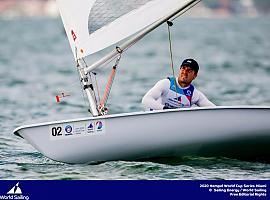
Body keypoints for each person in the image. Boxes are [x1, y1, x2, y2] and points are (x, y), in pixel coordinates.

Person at [142, 58, 215, 110]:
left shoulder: (195, 94)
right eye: (183, 68)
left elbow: (213, 109)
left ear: (195, 75)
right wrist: (165, 109)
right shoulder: (166, 84)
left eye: (189, 70)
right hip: (157, 119)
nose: (185, 72)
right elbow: (146, 100)